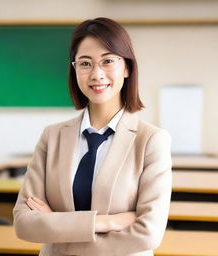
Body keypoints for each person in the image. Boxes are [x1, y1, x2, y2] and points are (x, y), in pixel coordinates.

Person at [13, 17, 172, 256]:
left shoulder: (151, 140)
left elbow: (148, 232)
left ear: (127, 67)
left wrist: (58, 226)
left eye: (108, 61)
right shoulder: (52, 137)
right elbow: (24, 224)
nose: (97, 74)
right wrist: (106, 222)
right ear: (74, 69)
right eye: (85, 64)